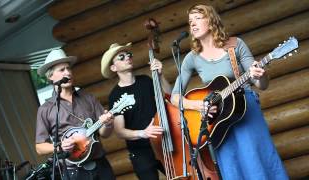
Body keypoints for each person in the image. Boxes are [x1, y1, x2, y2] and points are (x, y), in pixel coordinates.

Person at [170, 4, 288, 180]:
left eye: (198, 18)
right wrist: (198, 105)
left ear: (211, 21)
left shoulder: (235, 45)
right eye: (190, 21)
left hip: (245, 108)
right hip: (218, 120)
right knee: (231, 166)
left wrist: (260, 75)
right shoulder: (191, 58)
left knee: (257, 160)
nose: (192, 24)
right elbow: (175, 97)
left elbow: (260, 83)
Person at [35, 49, 115, 180]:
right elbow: (39, 147)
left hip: (100, 166)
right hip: (74, 173)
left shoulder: (88, 98)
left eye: (68, 68)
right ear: (50, 76)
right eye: (62, 70)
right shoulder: (46, 109)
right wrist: (60, 147)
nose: (68, 72)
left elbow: (104, 134)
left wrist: (108, 124)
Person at [101, 43, 172, 180]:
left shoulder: (146, 81)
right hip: (141, 151)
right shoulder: (115, 96)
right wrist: (143, 133)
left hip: (163, 142)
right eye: (121, 57)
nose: (127, 57)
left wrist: (160, 75)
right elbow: (120, 131)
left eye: (129, 55)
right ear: (113, 67)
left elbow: (170, 95)